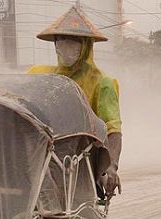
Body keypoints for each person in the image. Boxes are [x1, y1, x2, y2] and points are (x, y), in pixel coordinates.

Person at [28, 6, 122, 195]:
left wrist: (111, 166)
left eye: (73, 41)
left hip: (81, 164)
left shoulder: (103, 83)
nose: (65, 45)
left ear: (86, 45)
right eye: (60, 40)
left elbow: (113, 130)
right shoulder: (41, 76)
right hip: (43, 159)